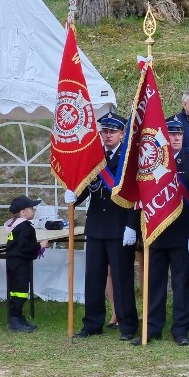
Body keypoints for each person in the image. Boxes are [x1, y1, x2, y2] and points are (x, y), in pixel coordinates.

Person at [131, 117, 189, 346]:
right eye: (171, 135)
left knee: (181, 285)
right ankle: (152, 328)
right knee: (154, 283)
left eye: (178, 135)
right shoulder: (151, 164)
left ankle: (180, 329)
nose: (175, 138)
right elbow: (140, 196)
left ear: (183, 137)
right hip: (156, 232)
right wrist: (132, 226)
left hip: (182, 235)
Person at [68, 112, 139, 342]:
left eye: (112, 132)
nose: (107, 135)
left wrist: (131, 226)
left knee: (122, 278)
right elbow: (88, 187)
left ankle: (127, 325)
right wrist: (74, 195)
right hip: (97, 226)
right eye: (104, 131)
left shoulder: (128, 161)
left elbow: (133, 195)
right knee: (94, 278)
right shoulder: (95, 159)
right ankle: (92, 323)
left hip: (120, 228)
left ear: (121, 134)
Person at [4, 196, 47, 332]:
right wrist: (40, 246)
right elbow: (24, 248)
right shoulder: (25, 228)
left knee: (15, 292)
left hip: (13, 264)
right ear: (23, 212)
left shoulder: (14, 226)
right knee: (20, 293)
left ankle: (18, 317)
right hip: (20, 265)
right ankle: (15, 321)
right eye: (32, 208)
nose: (34, 210)